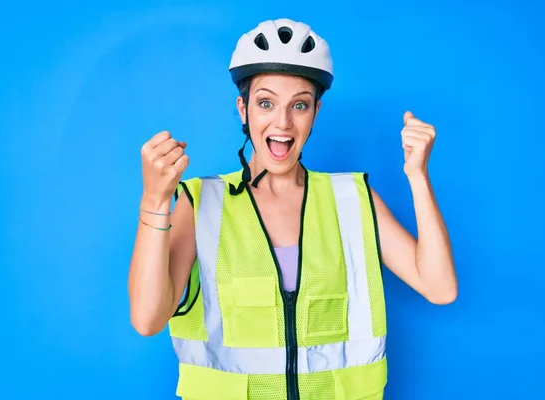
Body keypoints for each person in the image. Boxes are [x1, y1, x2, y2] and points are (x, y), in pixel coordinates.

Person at [128, 18, 457, 400]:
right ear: (243, 109)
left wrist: (418, 175)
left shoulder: (351, 199)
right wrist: (154, 201)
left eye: (298, 105)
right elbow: (148, 319)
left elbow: (440, 288)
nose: (282, 122)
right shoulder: (201, 203)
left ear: (315, 112)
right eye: (266, 102)